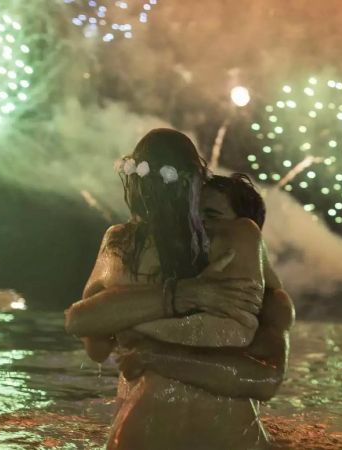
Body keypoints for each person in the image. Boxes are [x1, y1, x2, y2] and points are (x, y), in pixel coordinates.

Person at [64, 129, 271, 449]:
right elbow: (265, 353)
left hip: (143, 433)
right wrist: (189, 295)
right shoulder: (244, 237)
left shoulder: (119, 244)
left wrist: (132, 317)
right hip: (234, 436)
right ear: (198, 182)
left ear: (134, 183)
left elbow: (95, 346)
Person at [112, 174, 294, 402]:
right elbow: (95, 339)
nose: (196, 225)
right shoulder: (163, 281)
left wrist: (155, 355)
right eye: (192, 215)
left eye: (211, 216)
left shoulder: (271, 300)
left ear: (248, 234)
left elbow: (266, 381)